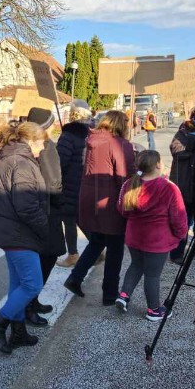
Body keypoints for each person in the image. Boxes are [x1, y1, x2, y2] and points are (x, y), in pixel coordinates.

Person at [0, 122, 49, 354]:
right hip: (19, 232)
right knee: (32, 284)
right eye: (41, 144)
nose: (42, 149)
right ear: (30, 141)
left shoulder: (13, 157)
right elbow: (27, 206)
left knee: (18, 284)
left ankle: (18, 332)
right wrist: (44, 229)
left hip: (11, 230)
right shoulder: (21, 162)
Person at [63, 111, 135, 305]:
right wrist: (130, 201)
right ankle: (110, 293)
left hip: (89, 199)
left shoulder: (92, 140)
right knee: (115, 248)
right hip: (109, 201)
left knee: (96, 242)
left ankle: (75, 278)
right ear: (121, 124)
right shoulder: (120, 144)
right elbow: (124, 177)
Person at [114, 150, 187, 320]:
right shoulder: (168, 187)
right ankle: (154, 310)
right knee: (152, 275)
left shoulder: (129, 184)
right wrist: (180, 235)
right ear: (158, 165)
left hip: (134, 237)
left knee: (136, 265)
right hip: (157, 241)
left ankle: (124, 295)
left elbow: (122, 210)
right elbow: (179, 217)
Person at [23, 107, 66, 326]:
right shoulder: (46, 146)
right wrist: (60, 200)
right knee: (45, 258)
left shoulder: (35, 144)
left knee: (42, 258)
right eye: (51, 124)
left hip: (41, 208)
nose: (54, 126)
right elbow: (52, 181)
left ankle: (33, 300)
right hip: (46, 209)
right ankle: (28, 305)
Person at [56, 100, 92, 267]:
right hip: (86, 183)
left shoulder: (68, 135)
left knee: (69, 219)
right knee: (80, 218)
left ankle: (73, 254)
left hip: (70, 183)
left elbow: (61, 161)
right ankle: (97, 248)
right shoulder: (91, 134)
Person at [168, 106, 195, 262]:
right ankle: (176, 254)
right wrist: (192, 145)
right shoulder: (184, 131)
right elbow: (175, 149)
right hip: (184, 184)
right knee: (183, 221)